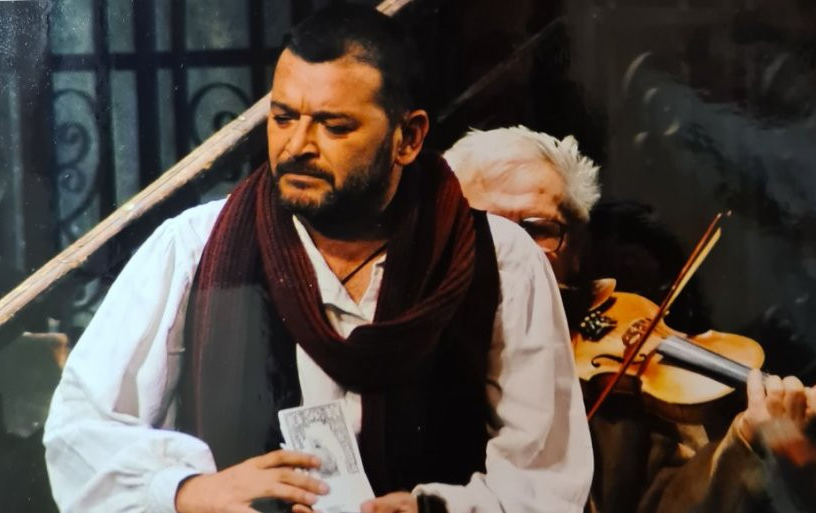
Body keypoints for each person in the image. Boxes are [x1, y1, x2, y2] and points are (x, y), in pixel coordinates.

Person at [43, 7, 593, 513]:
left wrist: (439, 509)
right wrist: (188, 490)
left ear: (407, 138)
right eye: (284, 118)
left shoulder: (501, 258)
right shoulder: (192, 247)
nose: (297, 146)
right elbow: (81, 429)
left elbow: (546, 476)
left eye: (335, 126)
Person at [445, 125, 816, 513]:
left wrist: (747, 443)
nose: (514, 248)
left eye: (538, 229)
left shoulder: (624, 395)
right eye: (488, 225)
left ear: (577, 251)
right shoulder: (417, 346)